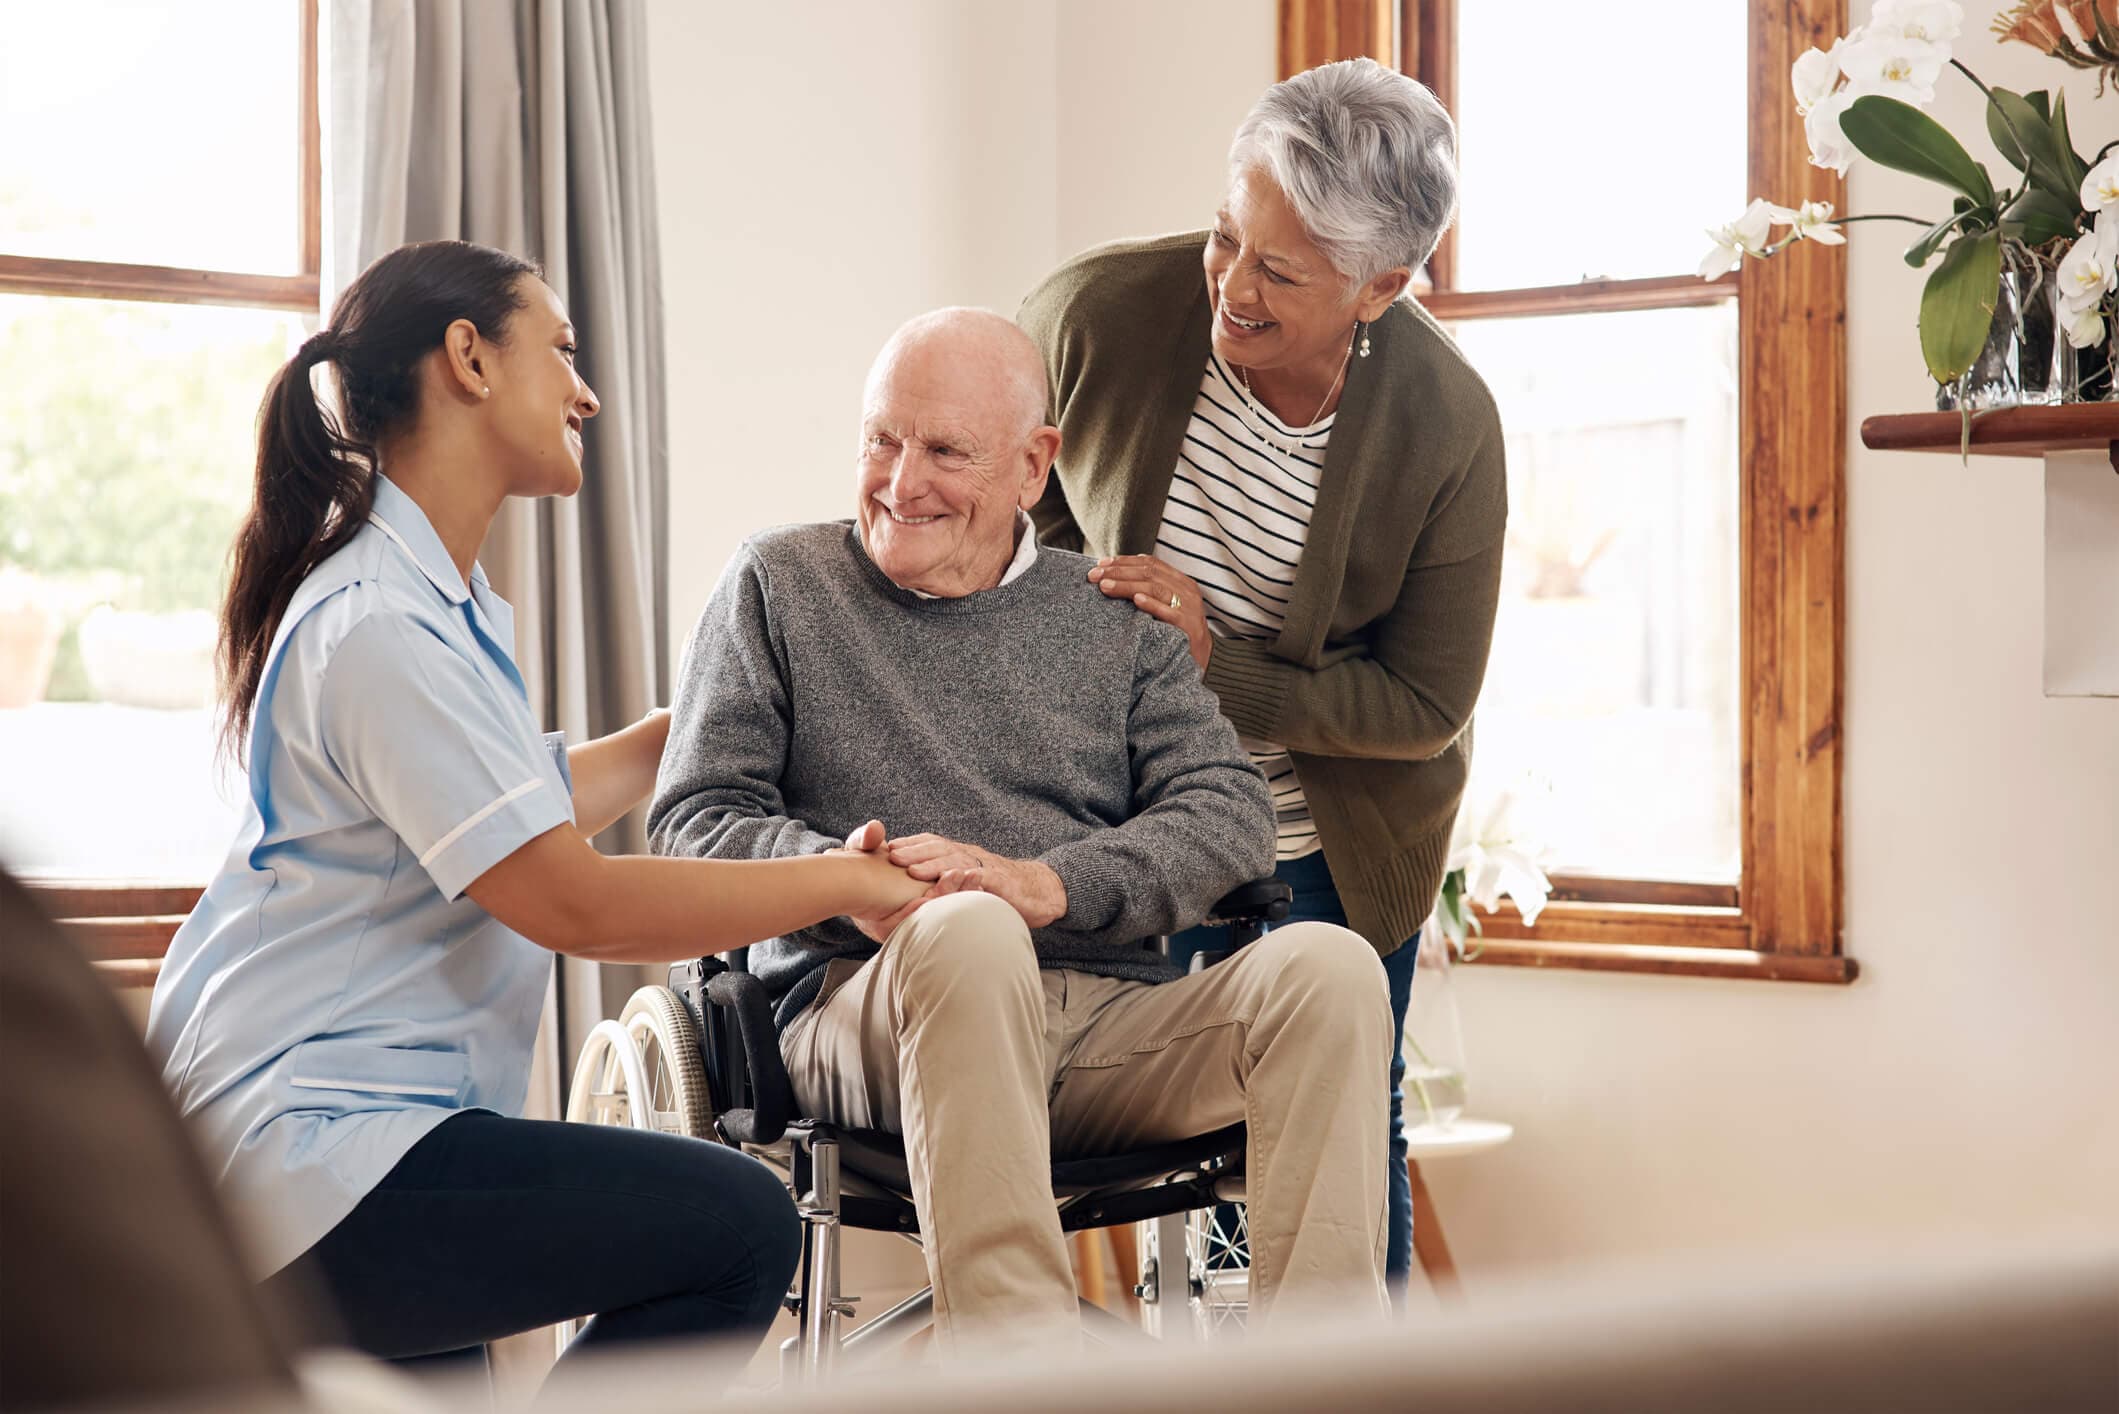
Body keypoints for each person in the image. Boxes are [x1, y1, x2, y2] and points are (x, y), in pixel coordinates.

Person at [145, 240, 944, 1372]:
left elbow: (521, 801)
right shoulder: (378, 625)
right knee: (735, 1226)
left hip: (352, 1147)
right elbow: (577, 902)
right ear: (467, 358)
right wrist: (858, 879)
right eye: (561, 351)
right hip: (314, 1161)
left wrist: (729, 709)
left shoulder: (439, 602)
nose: (588, 390)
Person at [649, 307, 1393, 1349]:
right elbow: (692, 819)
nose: (901, 482)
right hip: (862, 1007)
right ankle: (1021, 1370)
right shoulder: (779, 585)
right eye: (880, 438)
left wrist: (1045, 883)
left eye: (945, 450)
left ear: (1032, 466)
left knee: (1329, 971)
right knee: (966, 931)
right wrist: (841, 876)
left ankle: (1324, 1379)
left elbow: (1228, 814)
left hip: (1100, 1029)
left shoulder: (1110, 620)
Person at [1016, 57, 1506, 1305]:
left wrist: (1216, 672)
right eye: (1228, 237)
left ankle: (1327, 1387)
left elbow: (1424, 705)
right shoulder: (1097, 315)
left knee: (1336, 1136)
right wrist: (1098, 615)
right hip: (1135, 822)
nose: (1232, 286)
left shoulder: (1447, 424)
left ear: (1381, 287)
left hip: (1332, 843)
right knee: (1148, 1132)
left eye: (1280, 272)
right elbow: (1010, 511)